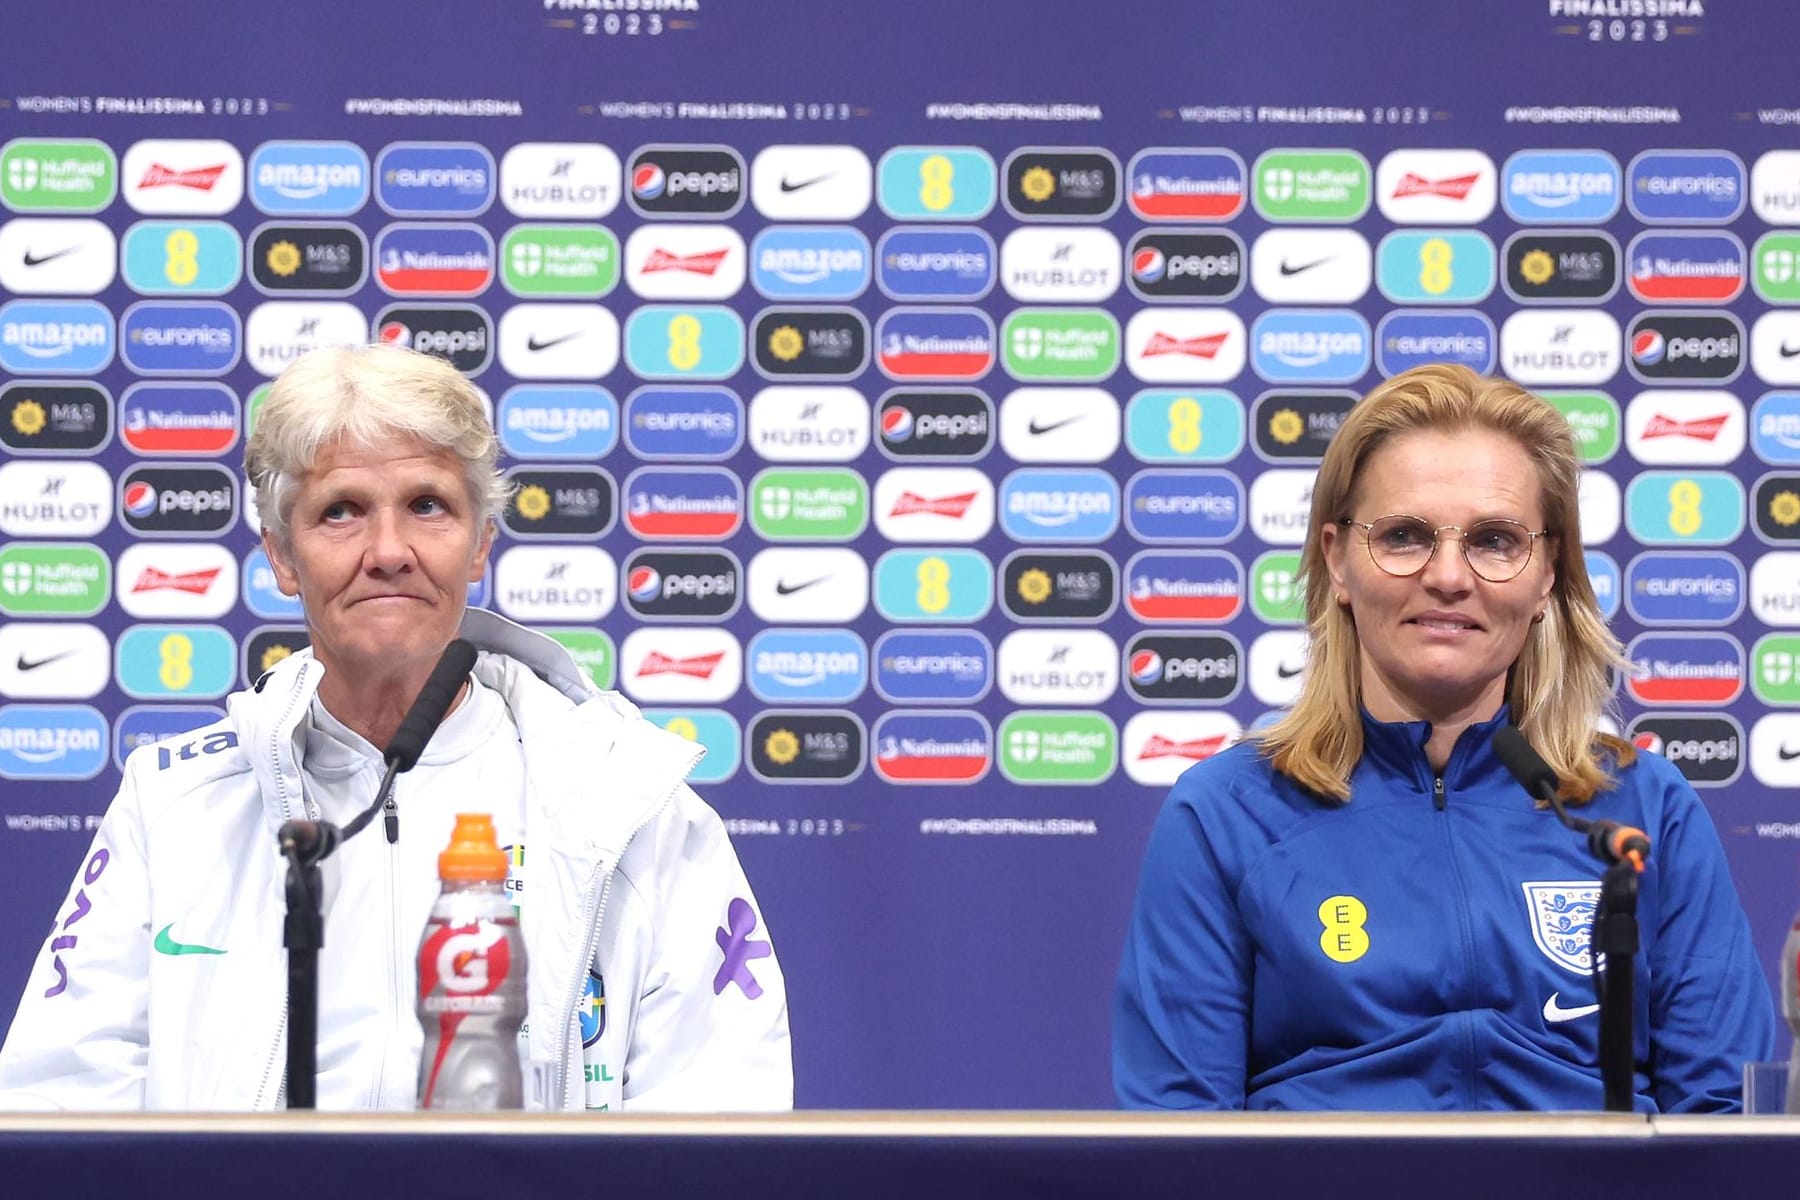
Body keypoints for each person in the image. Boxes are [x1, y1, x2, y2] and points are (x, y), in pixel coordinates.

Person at [0, 343, 792, 1112]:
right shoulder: (175, 805)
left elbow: (721, 1124)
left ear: (480, 543)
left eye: (427, 506)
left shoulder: (629, 802)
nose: (388, 551)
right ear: (281, 555)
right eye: (340, 511)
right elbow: (59, 1108)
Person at [1113, 363, 1774, 1112]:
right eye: (1404, 536)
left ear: (1548, 573)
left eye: (1495, 541)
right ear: (1336, 560)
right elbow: (1179, 1143)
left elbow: (1725, 1126)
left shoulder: (1641, 812)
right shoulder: (1227, 812)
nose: (1449, 576)